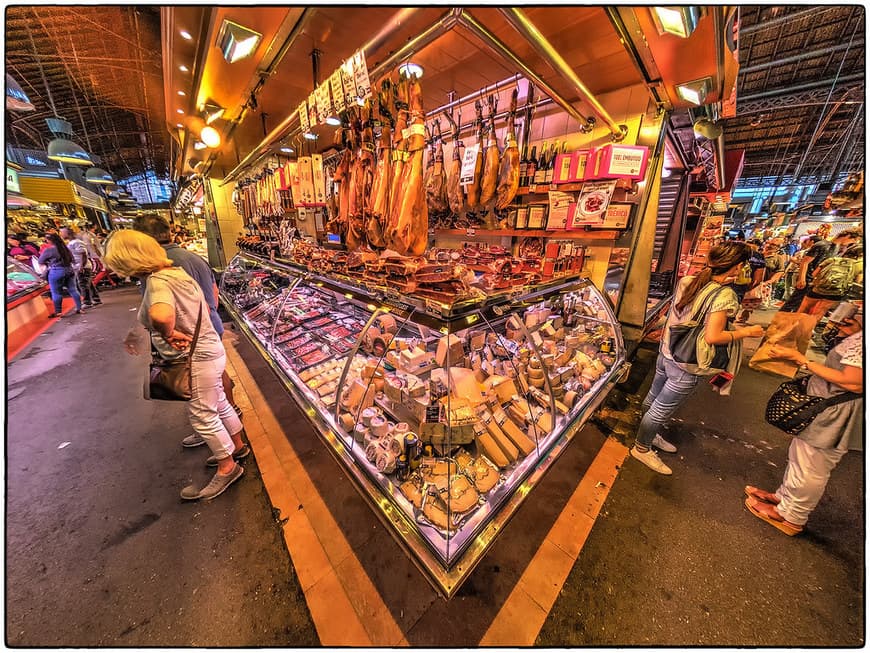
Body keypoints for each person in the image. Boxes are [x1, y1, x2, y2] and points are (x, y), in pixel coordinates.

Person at [104, 230, 249, 501]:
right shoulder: (178, 273)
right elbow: (207, 305)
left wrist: (168, 332)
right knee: (218, 402)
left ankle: (227, 467)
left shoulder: (158, 281)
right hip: (210, 349)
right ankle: (237, 446)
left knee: (203, 415)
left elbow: (161, 313)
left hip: (195, 357)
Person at [631, 242, 765, 475]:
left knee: (652, 399)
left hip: (667, 353)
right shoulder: (724, 295)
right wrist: (747, 332)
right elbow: (714, 336)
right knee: (660, 408)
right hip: (688, 363)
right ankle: (641, 447)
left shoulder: (688, 281)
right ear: (737, 266)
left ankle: (649, 435)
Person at [744, 312, 863, 535]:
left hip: (838, 411)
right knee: (801, 457)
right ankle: (784, 499)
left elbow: (854, 382)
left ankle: (791, 517)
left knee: (812, 465)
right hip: (829, 406)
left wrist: (802, 360)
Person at [132, 213, 243, 440]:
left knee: (203, 399)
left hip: (190, 337)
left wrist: (168, 333)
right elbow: (214, 291)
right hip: (210, 326)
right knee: (216, 382)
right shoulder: (192, 257)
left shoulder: (158, 269)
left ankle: (219, 437)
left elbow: (160, 314)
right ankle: (230, 423)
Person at [797, 234, 863, 316]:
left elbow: (814, 274)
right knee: (819, 312)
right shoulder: (859, 265)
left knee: (803, 309)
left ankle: (794, 326)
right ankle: (810, 327)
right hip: (836, 292)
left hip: (819, 288)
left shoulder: (833, 259)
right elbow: (858, 281)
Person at [38, 233, 83, 318]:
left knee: (56, 292)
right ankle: (79, 308)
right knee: (73, 290)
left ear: (50, 241)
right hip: (69, 270)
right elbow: (71, 259)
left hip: (56, 271)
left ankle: (58, 311)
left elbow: (40, 261)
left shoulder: (49, 250)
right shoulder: (65, 248)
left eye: (47, 240)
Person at [782, 236, 818, 301]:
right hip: (794, 270)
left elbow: (801, 261)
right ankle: (787, 301)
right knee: (789, 287)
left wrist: (794, 260)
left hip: (797, 271)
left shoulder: (807, 252)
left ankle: (790, 302)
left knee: (793, 288)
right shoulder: (803, 251)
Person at [75, 229, 103, 306]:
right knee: (88, 282)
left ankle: (87, 301)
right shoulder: (84, 240)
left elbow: (84, 254)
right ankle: (95, 298)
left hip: (84, 264)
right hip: (87, 262)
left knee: (83, 283)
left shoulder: (78, 242)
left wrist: (81, 265)